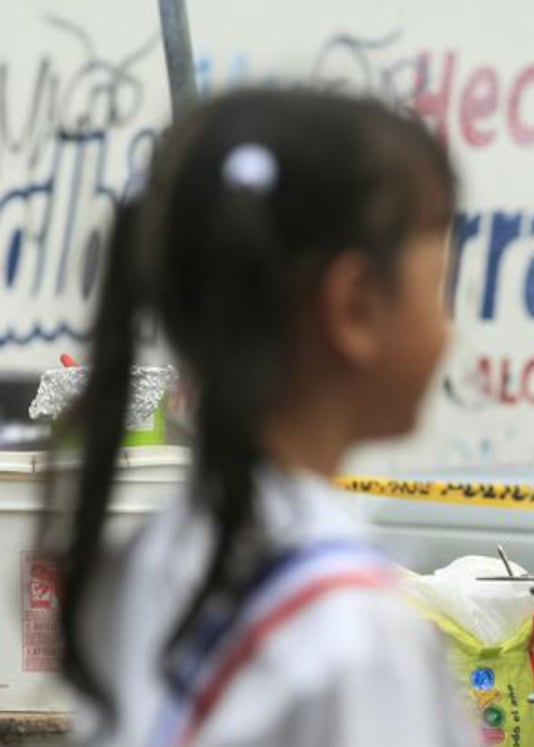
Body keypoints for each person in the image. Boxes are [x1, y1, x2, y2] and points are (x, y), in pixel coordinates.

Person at [41, 88, 475, 747]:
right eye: (440, 282)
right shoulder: (355, 634)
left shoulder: (151, 557)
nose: (450, 328)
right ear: (354, 305)